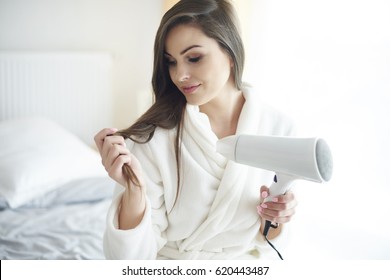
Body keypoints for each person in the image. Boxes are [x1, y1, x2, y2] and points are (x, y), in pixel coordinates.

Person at [94, 0, 298, 260]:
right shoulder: (152, 137)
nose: (180, 75)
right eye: (171, 62)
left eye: (194, 58)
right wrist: (134, 190)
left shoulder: (279, 128)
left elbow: (271, 244)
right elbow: (128, 262)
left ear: (230, 52)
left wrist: (277, 219)